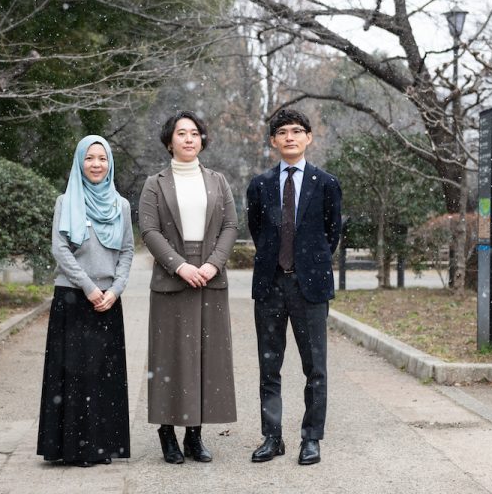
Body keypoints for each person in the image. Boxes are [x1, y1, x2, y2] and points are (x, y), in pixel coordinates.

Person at [139, 111, 238, 464]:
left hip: (211, 278)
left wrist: (213, 263)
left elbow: (230, 226)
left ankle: (194, 435)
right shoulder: (155, 183)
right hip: (171, 279)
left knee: (207, 358)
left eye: (194, 133)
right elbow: (149, 230)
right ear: (170, 141)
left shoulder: (218, 181)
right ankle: (167, 431)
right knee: (170, 357)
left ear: (202, 139)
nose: (189, 139)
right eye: (181, 133)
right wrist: (180, 265)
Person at [246, 109, 342, 466]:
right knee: (269, 366)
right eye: (283, 132)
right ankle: (272, 437)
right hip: (270, 285)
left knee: (315, 367)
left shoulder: (326, 183)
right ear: (273, 140)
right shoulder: (260, 185)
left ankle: (311, 438)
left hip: (310, 287)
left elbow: (332, 233)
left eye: (297, 131)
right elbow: (257, 230)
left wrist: (307, 265)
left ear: (308, 138)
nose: (290, 137)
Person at [37, 135, 134, 467]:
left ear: (110, 164)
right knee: (73, 373)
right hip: (73, 297)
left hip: (109, 300)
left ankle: (101, 447)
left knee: (103, 375)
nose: (96, 164)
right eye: (90, 158)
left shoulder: (120, 205)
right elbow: (60, 249)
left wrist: (115, 289)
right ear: (80, 162)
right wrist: (88, 287)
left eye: (102, 158)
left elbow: (127, 251)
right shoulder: (66, 202)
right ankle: (71, 448)